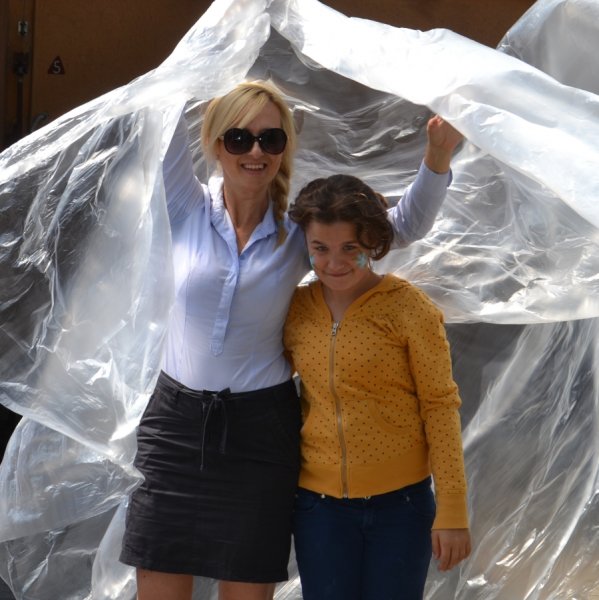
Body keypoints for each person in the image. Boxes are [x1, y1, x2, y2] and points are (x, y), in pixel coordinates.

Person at [118, 79, 464, 600]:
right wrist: (209, 56)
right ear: (215, 144)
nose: (255, 151)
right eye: (239, 138)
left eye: (271, 139)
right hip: (176, 427)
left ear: (284, 148)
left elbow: (400, 227)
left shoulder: (299, 233)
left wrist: (436, 158)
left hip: (261, 432)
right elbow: (161, 102)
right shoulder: (186, 204)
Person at [283, 174, 471, 600]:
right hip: (318, 509)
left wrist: (453, 509)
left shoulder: (409, 308)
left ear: (374, 242)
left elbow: (440, 406)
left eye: (350, 247)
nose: (335, 262)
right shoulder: (294, 310)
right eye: (320, 248)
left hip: (401, 507)